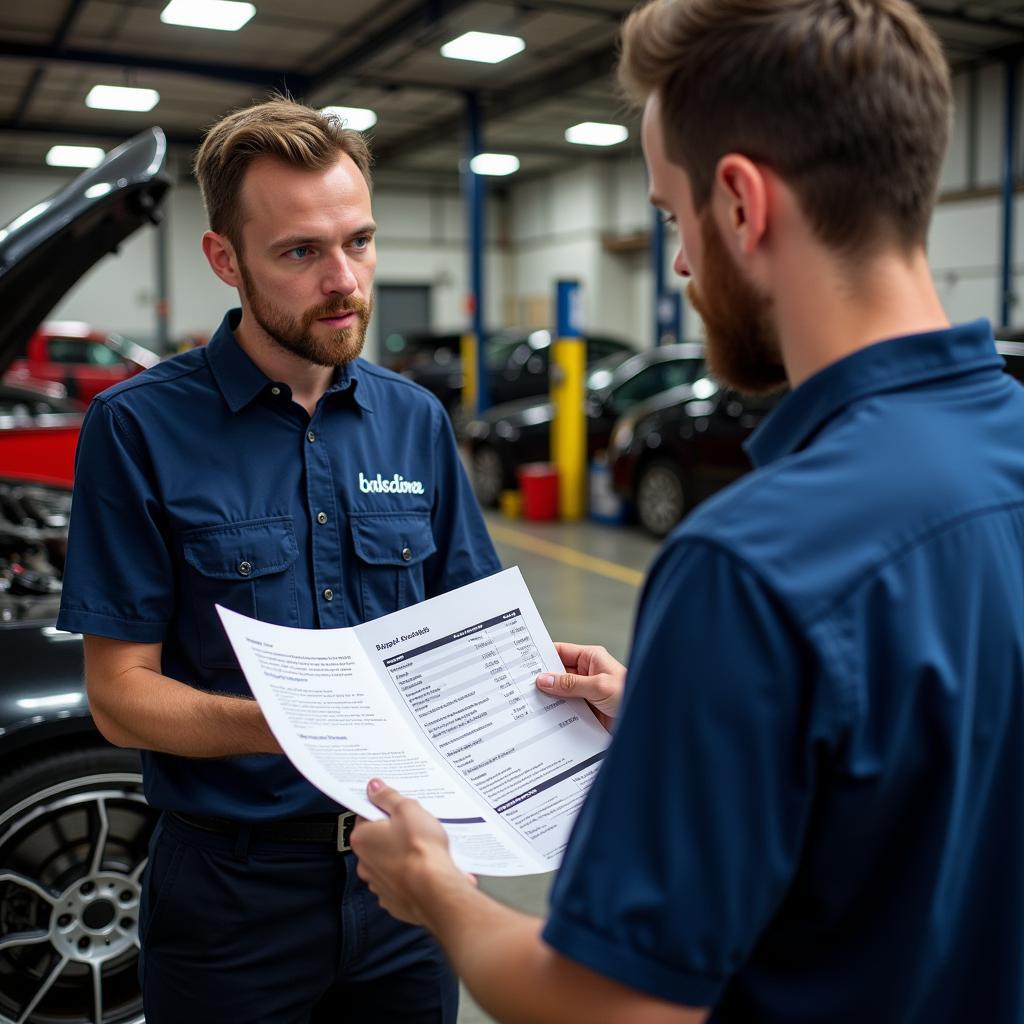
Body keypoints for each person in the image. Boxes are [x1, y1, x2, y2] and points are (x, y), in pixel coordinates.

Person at [351, 1, 1024, 1021]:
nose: (677, 261)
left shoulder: (753, 562)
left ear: (742, 204)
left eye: (671, 215)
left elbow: (612, 1005)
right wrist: (688, 712)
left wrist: (434, 889)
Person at [56, 98, 500, 1023]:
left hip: (407, 875)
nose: (344, 281)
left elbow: (475, 644)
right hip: (230, 899)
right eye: (300, 252)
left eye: (360, 242)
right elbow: (119, 695)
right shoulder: (136, 429)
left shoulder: (413, 421)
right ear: (227, 260)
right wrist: (301, 730)